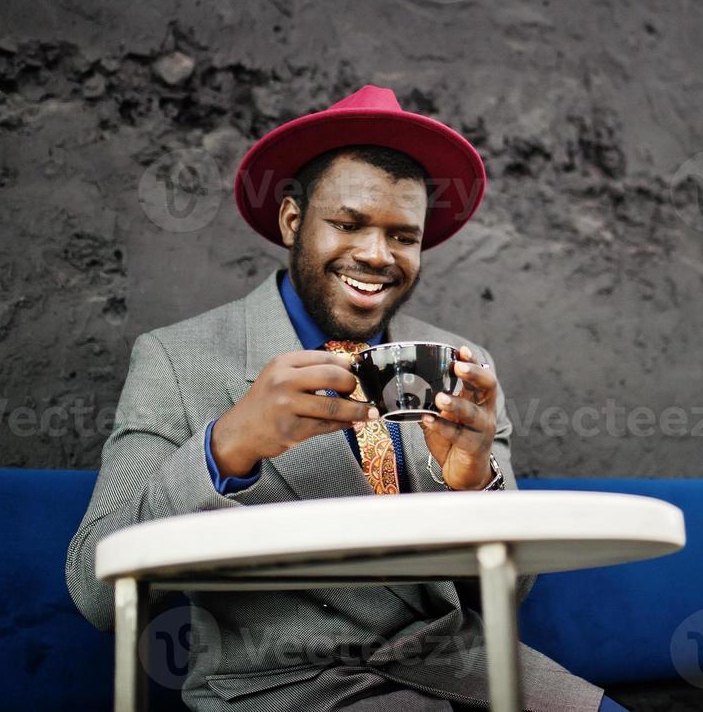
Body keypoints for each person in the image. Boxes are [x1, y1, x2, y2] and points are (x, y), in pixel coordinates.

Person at [66, 85, 621, 711]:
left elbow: (507, 593)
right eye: (348, 224)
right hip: (282, 687)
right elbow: (93, 585)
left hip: (470, 669)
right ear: (293, 221)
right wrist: (227, 446)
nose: (376, 256)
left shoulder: (460, 364)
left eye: (402, 236)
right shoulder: (180, 358)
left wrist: (475, 485)